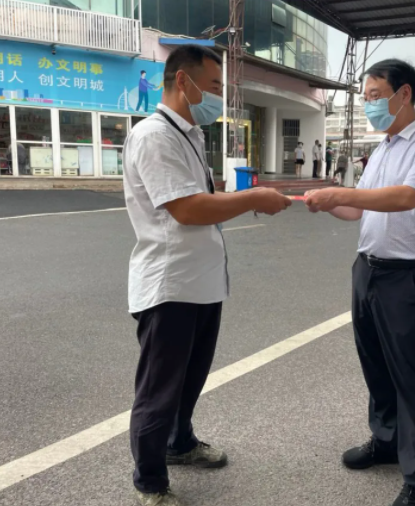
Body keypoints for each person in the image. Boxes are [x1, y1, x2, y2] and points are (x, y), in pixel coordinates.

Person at [123, 45, 291, 506]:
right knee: (159, 390)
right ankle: (150, 482)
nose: (218, 96)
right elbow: (187, 209)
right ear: (183, 81)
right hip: (170, 285)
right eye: (214, 86)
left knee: (189, 379)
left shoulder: (190, 135)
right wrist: (253, 198)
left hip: (201, 283)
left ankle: (179, 443)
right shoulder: (154, 136)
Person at [304, 59, 415, 506]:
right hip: (367, 269)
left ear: (403, 94)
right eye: (365, 98)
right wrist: (326, 202)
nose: (369, 105)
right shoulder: (383, 148)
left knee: (409, 374)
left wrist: (342, 192)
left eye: (375, 96)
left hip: (405, 275)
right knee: (375, 365)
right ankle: (386, 441)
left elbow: (405, 198)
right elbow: (358, 209)